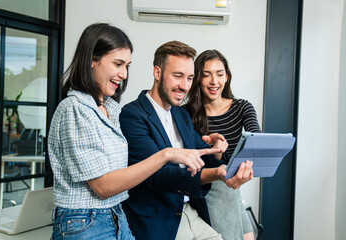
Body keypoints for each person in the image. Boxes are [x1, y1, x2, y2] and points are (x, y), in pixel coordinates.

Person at [47, 24, 219, 240]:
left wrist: (217, 152)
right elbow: (103, 186)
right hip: (85, 222)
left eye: (127, 65)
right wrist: (167, 154)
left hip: (117, 216)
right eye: (118, 64)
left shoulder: (111, 109)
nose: (124, 74)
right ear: (92, 59)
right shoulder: (75, 109)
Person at [119, 41, 253, 240]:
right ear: (157, 72)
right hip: (159, 220)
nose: (184, 86)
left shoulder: (181, 114)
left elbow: (203, 154)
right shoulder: (132, 115)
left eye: (190, 78)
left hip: (190, 212)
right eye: (177, 76)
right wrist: (218, 173)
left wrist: (218, 156)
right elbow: (160, 176)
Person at [184, 49, 261, 240]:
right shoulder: (187, 114)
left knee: (248, 236)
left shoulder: (242, 107)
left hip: (233, 187)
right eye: (206, 75)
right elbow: (188, 163)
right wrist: (217, 156)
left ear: (227, 77)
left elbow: (255, 142)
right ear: (197, 79)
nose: (214, 81)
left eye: (219, 74)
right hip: (209, 189)